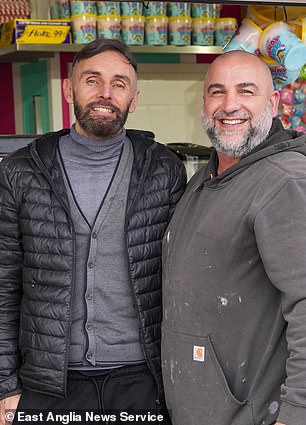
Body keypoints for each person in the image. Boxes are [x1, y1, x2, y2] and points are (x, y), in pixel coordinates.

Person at [0, 38, 186, 423]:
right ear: (69, 89)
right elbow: (3, 283)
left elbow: (183, 280)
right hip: (48, 382)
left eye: (119, 83)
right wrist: (5, 385)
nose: (105, 93)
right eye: (92, 80)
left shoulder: (163, 169)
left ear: (133, 98)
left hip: (144, 379)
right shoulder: (21, 171)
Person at [161, 50, 306, 425]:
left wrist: (295, 415)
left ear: (272, 102)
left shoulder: (282, 182)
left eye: (246, 91)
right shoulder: (206, 176)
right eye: (217, 92)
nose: (230, 105)